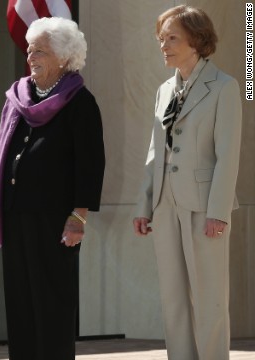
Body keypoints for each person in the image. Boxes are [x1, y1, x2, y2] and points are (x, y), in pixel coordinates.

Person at [0, 17, 105, 359]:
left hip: (54, 220)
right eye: (29, 49)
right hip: (15, 215)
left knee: (51, 303)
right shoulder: (18, 98)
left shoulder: (79, 102)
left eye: (40, 50)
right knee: (21, 303)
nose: (31, 56)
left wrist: (78, 217)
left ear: (64, 57)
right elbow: (3, 154)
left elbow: (91, 164)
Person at [133, 5, 241, 360]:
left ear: (196, 39)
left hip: (204, 207)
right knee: (174, 301)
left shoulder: (224, 87)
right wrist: (144, 204)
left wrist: (219, 212)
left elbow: (228, 155)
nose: (163, 45)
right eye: (161, 38)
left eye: (172, 37)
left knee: (210, 301)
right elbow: (155, 151)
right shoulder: (164, 90)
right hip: (166, 208)